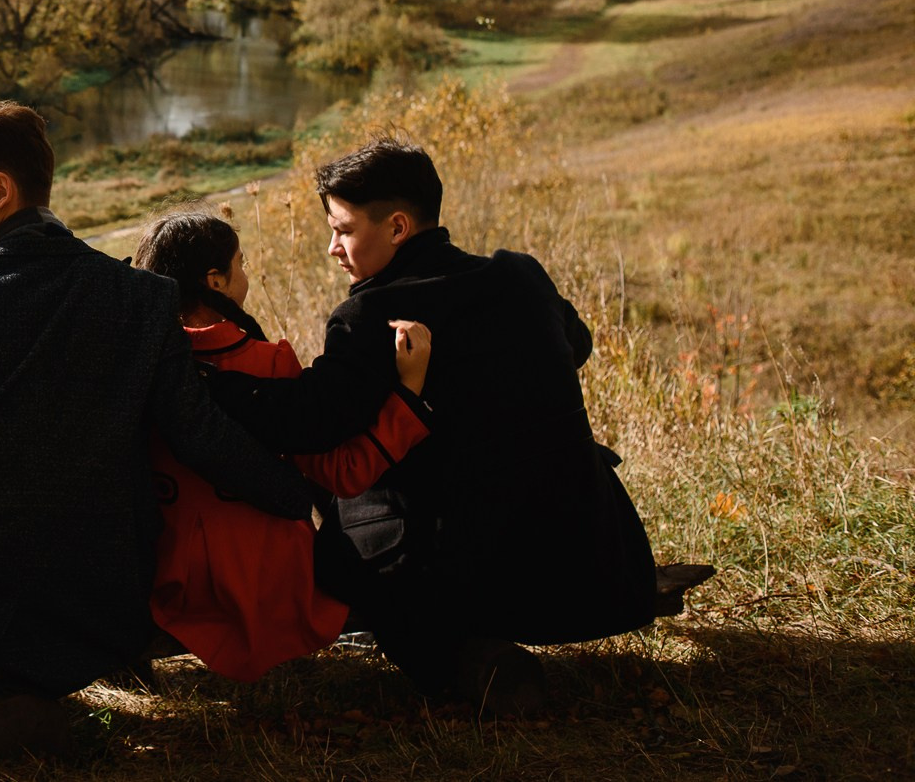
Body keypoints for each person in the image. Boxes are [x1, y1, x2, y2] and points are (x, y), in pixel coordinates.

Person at [0, 101, 312, 740]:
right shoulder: (145, 299)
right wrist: (291, 497)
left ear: (0, 190)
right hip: (104, 597)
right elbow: (198, 434)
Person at [205, 140, 658, 713]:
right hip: (586, 553)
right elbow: (578, 346)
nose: (332, 248)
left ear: (397, 227)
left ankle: (459, 662)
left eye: (343, 230)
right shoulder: (519, 275)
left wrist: (207, 384)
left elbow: (311, 422)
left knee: (341, 541)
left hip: (472, 564)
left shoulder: (372, 316)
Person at [133, 209, 432, 683]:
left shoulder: (139, 366)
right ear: (216, 281)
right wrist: (408, 393)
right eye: (241, 263)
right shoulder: (266, 365)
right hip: (265, 585)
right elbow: (344, 473)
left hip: (171, 584)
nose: (246, 274)